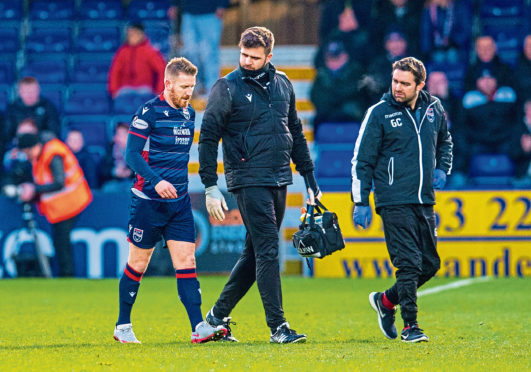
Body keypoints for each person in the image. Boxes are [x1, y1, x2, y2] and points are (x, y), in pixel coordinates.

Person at [198, 26, 321, 344]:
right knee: (268, 249)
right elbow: (209, 136)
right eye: (243, 55)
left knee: (254, 253)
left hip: (280, 176)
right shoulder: (226, 87)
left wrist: (309, 179)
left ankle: (214, 319)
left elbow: (294, 129)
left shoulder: (284, 84)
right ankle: (278, 327)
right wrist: (210, 185)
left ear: (269, 56)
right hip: (247, 177)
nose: (247, 61)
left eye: (254, 56)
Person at [113, 57, 227, 345]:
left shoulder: (188, 114)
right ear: (168, 84)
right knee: (138, 263)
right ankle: (122, 325)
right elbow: (131, 155)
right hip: (148, 201)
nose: (189, 92)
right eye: (184, 86)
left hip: (178, 203)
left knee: (186, 260)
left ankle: (197, 327)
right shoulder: (148, 113)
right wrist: (156, 180)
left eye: (192, 86)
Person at [351, 57, 452, 342]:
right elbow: (362, 160)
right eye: (395, 81)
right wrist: (361, 201)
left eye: (405, 84)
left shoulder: (434, 109)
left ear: (420, 85)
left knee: (430, 264)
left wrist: (443, 168)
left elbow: (446, 141)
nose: (398, 88)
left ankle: (385, 302)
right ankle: (411, 326)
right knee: (408, 263)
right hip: (392, 198)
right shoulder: (379, 113)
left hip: (424, 199)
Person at [17, 132, 93, 277]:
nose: (26, 156)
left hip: (71, 202)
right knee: (60, 242)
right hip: (61, 206)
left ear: (30, 148)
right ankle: (66, 275)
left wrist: (33, 189)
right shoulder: (42, 156)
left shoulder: (52, 153)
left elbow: (59, 182)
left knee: (62, 243)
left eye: (25, 152)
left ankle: (67, 275)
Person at [452, 68, 519, 178]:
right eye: (483, 79)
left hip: (505, 141)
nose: (487, 82)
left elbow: (516, 121)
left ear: (496, 80)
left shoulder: (508, 96)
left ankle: (518, 179)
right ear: (477, 82)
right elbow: (462, 126)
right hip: (478, 142)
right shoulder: (468, 100)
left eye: (490, 78)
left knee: (515, 149)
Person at [170, 0, 229, 97]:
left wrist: (222, 5)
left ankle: (212, 88)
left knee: (210, 53)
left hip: (210, 13)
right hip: (188, 13)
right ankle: (198, 84)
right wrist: (174, 4)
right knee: (190, 52)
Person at [310, 40, 366, 131]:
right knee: (317, 119)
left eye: (337, 58)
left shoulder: (356, 72)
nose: (333, 62)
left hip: (351, 114)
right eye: (330, 58)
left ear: (345, 57)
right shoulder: (321, 75)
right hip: (328, 113)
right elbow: (315, 97)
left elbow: (355, 93)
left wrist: (333, 97)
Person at [107, 22, 167, 99]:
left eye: (135, 34)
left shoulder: (149, 51)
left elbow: (162, 70)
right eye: (130, 34)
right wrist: (113, 90)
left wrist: (160, 91)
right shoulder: (122, 52)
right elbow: (115, 71)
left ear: (141, 34)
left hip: (144, 90)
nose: (132, 37)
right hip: (125, 89)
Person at [5, 76, 60, 143]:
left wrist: (33, 136)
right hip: (19, 146)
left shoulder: (48, 106)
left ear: (38, 90)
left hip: (43, 145)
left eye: (33, 91)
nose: (30, 95)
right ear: (20, 92)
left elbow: (53, 131)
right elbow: (7, 134)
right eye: (26, 91)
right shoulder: (12, 109)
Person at [100, 122, 134, 193]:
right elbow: (103, 170)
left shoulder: (136, 149)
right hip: (114, 181)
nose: (121, 137)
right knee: (108, 189)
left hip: (131, 181)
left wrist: (129, 172)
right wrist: (114, 172)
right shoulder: (110, 148)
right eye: (119, 134)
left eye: (124, 134)